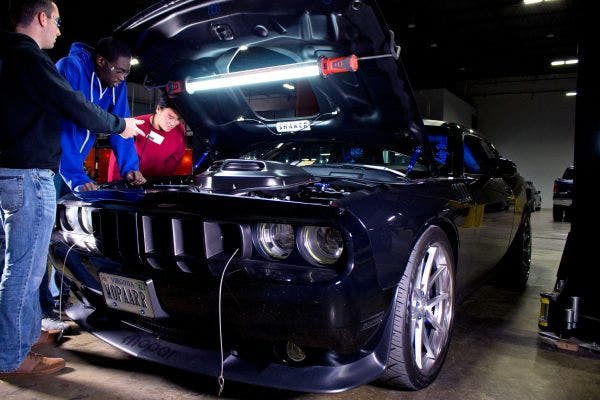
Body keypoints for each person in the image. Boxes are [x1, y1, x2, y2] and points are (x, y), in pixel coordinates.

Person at [0, 0, 144, 377]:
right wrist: (81, 170)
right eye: (57, 21)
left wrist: (129, 164)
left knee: (21, 264)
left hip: (16, 172)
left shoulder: (12, 57)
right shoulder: (38, 60)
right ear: (43, 18)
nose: (60, 31)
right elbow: (71, 108)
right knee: (25, 269)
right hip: (31, 173)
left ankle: (26, 337)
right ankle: (11, 358)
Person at [56, 35, 146, 192]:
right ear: (101, 61)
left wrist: (129, 167)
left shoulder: (117, 84)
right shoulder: (71, 67)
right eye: (119, 71)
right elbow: (62, 125)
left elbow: (121, 125)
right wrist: (76, 177)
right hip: (49, 164)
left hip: (73, 164)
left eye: (126, 73)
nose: (122, 78)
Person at [107, 92, 187, 180]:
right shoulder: (135, 125)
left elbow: (175, 159)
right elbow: (117, 158)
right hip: (130, 181)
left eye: (178, 119)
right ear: (158, 109)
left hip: (156, 184)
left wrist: (162, 182)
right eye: (170, 117)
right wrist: (114, 186)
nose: (173, 123)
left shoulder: (180, 131)